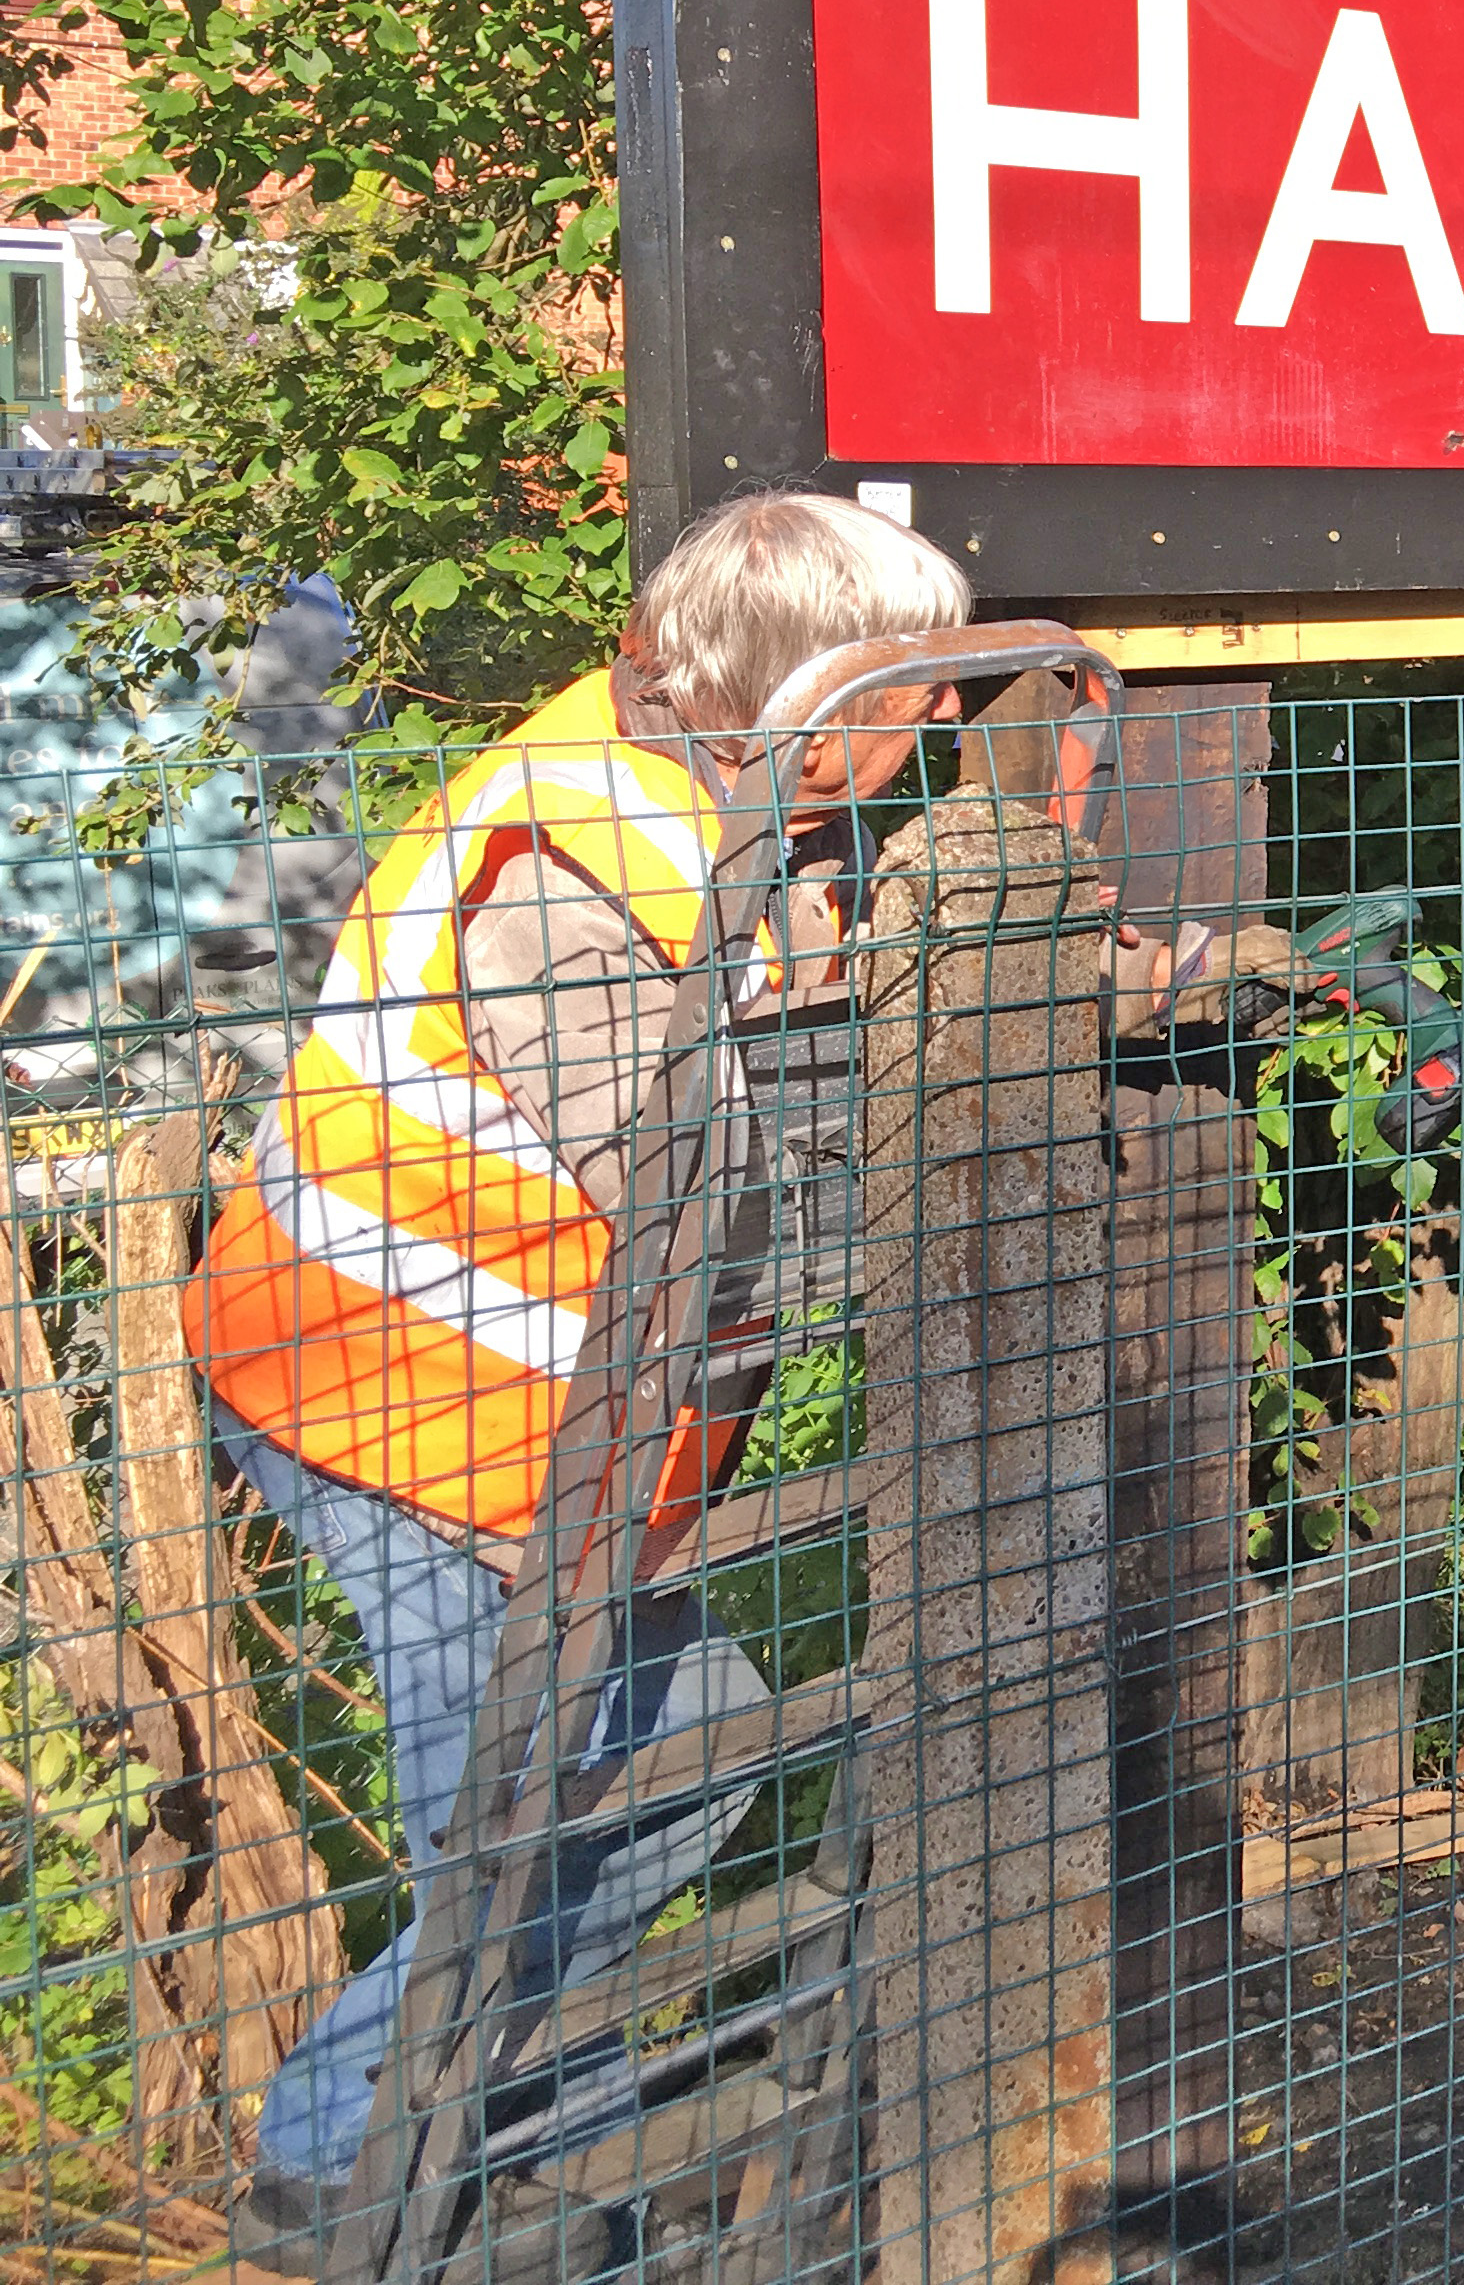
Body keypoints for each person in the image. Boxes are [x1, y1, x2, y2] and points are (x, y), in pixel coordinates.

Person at [186, 490, 975, 2273]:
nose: (935, 724)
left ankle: (535, 2157)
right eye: (904, 688)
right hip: (388, 1395)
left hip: (532, 1418)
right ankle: (349, 2186)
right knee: (533, 1824)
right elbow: (699, 1191)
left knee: (664, 1761)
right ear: (793, 692)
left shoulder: (717, 800)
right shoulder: (567, 859)